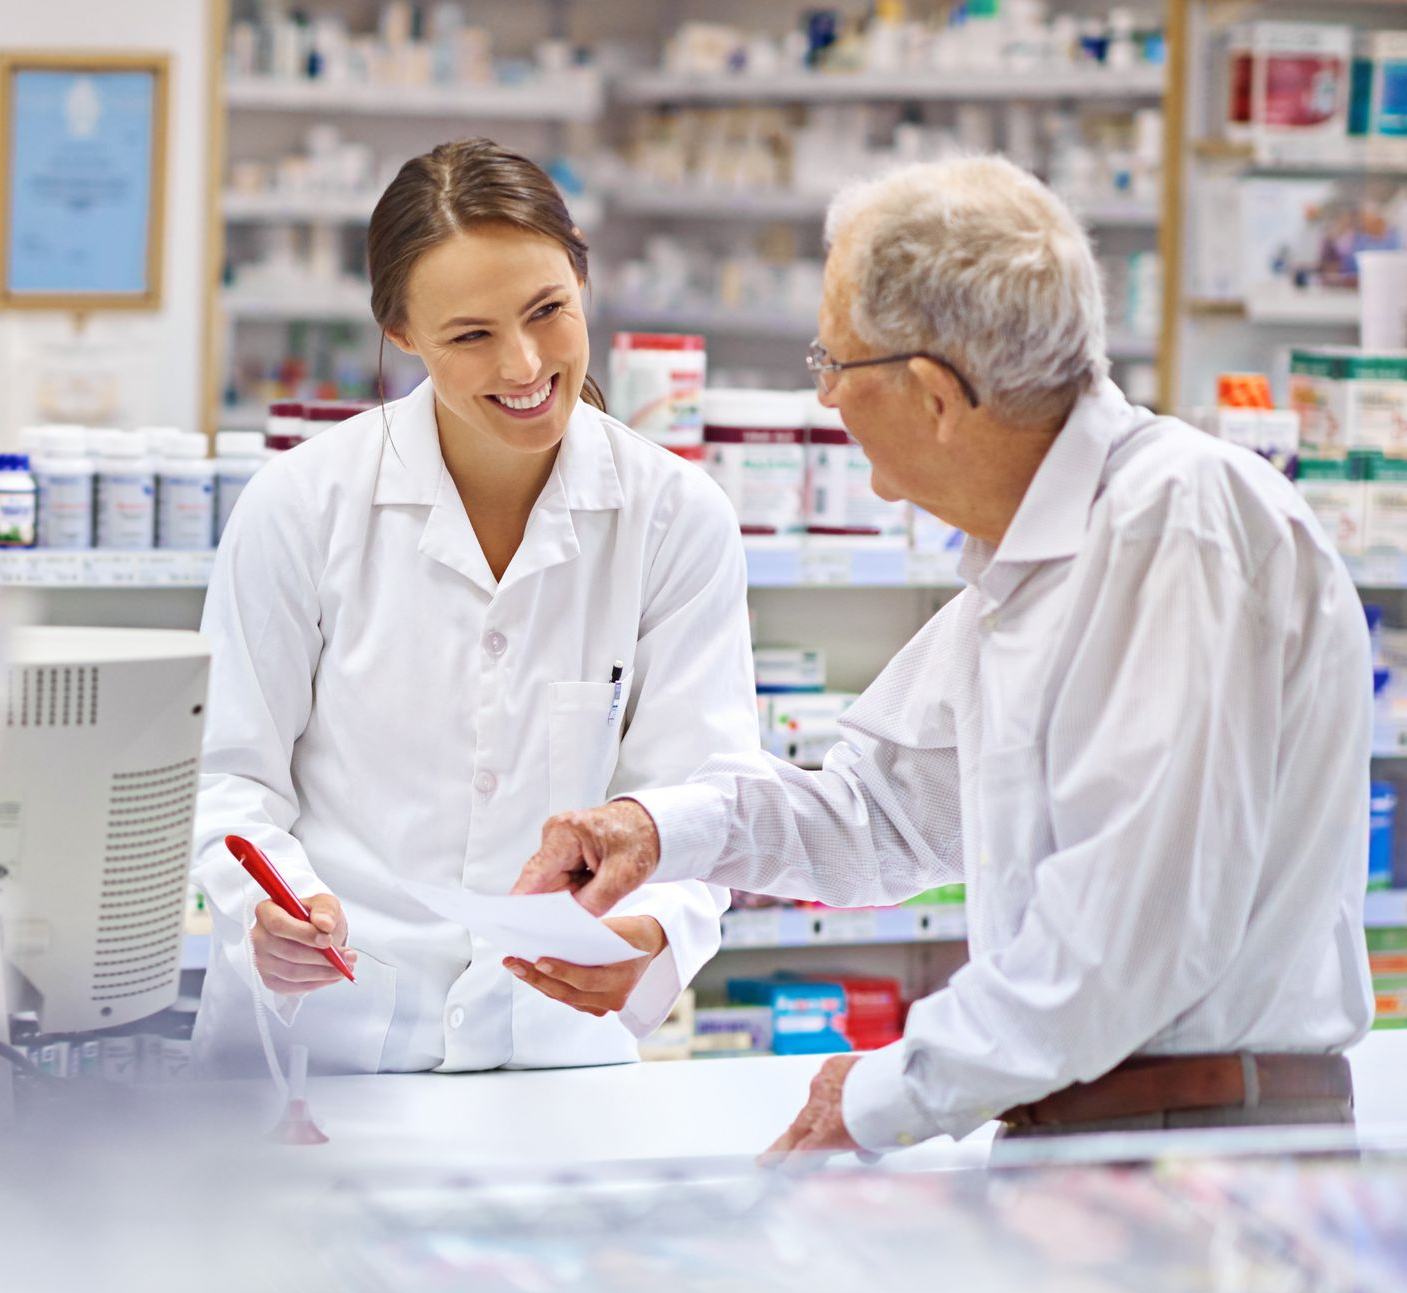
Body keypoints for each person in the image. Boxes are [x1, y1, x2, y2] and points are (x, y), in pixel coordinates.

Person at [513, 155, 1376, 1156]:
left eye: (833, 363)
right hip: (1101, 1142)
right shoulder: (1032, 564)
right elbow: (877, 816)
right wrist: (655, 829)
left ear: (931, 392)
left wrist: (881, 1095)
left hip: (1203, 1153)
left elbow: (1124, 948)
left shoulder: (1173, 530)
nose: (826, 398)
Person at [190, 139, 757, 1076]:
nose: (525, 363)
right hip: (322, 1051)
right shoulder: (301, 505)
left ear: (584, 283)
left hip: (555, 1055)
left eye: (548, 312)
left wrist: (654, 931)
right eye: (471, 335)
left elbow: (703, 793)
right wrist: (273, 906)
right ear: (402, 333)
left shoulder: (674, 516)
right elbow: (228, 777)